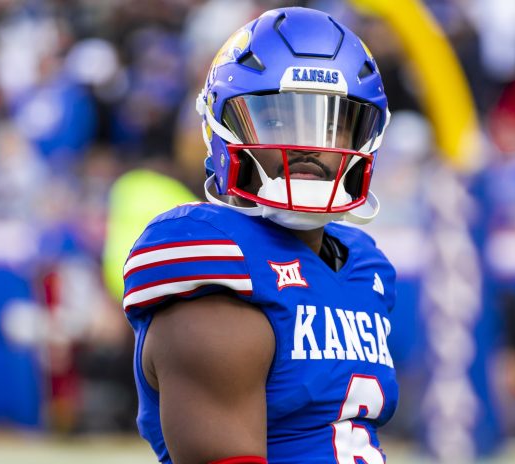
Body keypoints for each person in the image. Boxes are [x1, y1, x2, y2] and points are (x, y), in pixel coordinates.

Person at [123, 7, 398, 463]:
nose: (309, 148)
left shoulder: (363, 265)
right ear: (220, 126)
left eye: (332, 124)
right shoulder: (218, 260)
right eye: (277, 119)